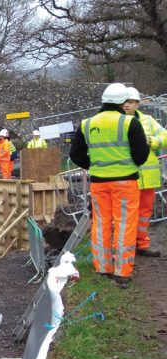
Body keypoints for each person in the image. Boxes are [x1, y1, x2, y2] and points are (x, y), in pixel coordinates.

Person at [69, 83, 149, 287]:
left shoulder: (86, 124)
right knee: (124, 225)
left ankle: (102, 266)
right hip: (125, 183)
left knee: (101, 224)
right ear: (123, 102)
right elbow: (140, 156)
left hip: (98, 184)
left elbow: (75, 154)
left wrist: (95, 165)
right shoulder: (129, 122)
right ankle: (122, 272)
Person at [123, 87, 167, 257]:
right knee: (125, 214)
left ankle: (141, 244)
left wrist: (154, 142)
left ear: (137, 104)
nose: (127, 105)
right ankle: (125, 247)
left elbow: (165, 136)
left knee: (144, 213)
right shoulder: (116, 122)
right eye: (125, 102)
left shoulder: (148, 120)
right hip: (126, 176)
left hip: (147, 178)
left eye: (131, 102)